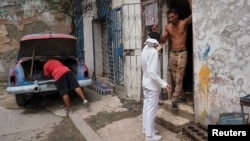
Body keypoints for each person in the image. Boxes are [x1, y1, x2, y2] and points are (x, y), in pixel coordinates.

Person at [160, 0, 192, 108]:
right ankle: (182, 95)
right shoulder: (168, 27)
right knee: (174, 77)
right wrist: (159, 36)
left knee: (179, 77)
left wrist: (190, 2)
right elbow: (163, 40)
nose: (171, 19)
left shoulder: (183, 23)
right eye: (169, 17)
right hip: (172, 54)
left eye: (172, 17)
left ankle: (175, 98)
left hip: (182, 53)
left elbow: (193, 16)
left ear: (177, 16)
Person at [141, 35, 172, 141]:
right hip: (152, 85)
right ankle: (150, 136)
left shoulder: (145, 48)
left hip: (145, 83)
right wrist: (164, 84)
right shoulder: (153, 52)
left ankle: (146, 129)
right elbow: (153, 73)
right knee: (151, 110)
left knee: (146, 108)